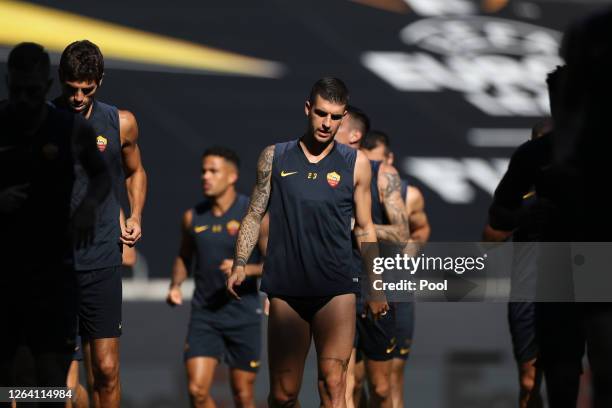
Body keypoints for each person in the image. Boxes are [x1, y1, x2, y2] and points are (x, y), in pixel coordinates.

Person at [227, 77, 388, 408]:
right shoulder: (275, 157)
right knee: (284, 395)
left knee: (333, 385)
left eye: (336, 116)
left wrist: (374, 285)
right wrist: (240, 263)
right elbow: (254, 214)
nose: (328, 123)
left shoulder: (356, 164)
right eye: (321, 113)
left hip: (336, 289)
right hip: (287, 290)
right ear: (307, 109)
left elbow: (365, 228)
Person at [0, 42, 109, 406]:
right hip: (7, 274)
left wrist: (90, 206)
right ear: (7, 83)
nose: (24, 100)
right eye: (16, 91)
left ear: (47, 86)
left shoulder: (69, 128)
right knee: (11, 381)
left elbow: (101, 175)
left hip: (54, 275)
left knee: (51, 380)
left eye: (32, 91)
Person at [53, 40, 147, 408]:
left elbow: (135, 172)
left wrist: (136, 214)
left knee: (107, 370)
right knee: (61, 383)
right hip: (55, 266)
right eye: (71, 88)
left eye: (86, 90)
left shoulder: (120, 122)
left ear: (100, 82)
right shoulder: (44, 121)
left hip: (102, 261)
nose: (77, 97)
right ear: (60, 80)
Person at [167, 147, 267, 408]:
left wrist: (246, 268)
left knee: (243, 394)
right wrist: (176, 285)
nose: (206, 177)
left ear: (232, 176)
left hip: (243, 313)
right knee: (197, 391)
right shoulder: (192, 217)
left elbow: (275, 264)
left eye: (213, 171)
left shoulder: (252, 214)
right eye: (203, 171)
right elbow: (183, 256)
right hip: (205, 315)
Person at [335, 107, 410, 408]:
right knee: (341, 383)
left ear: (354, 134)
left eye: (334, 123)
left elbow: (402, 233)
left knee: (380, 388)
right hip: (337, 288)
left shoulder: (382, 174)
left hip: (377, 287)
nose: (324, 127)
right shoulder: (316, 170)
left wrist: (360, 227)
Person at [359, 129, 431, 408]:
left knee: (389, 380)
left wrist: (410, 249)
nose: (373, 171)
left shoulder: (408, 194)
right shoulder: (351, 185)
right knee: (352, 379)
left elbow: (422, 229)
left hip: (397, 289)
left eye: (377, 163)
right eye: (368, 163)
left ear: (389, 159)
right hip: (360, 287)